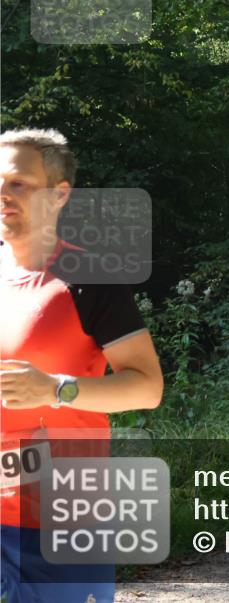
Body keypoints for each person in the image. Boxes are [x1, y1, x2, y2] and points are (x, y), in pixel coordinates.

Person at [0, 128, 163, 603]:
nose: (3, 193)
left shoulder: (89, 278)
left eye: (18, 183)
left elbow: (147, 387)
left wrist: (55, 389)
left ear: (59, 195)